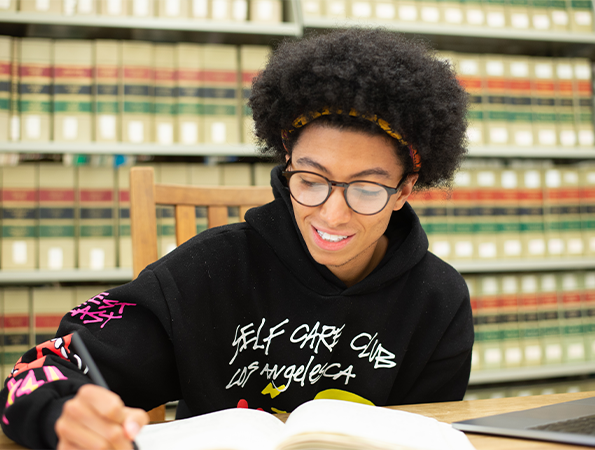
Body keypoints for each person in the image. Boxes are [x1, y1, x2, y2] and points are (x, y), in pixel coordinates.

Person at [0, 27, 473, 450]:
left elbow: (430, 432)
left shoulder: (439, 298)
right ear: (286, 162)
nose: (331, 213)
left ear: (404, 190)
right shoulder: (207, 270)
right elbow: (32, 375)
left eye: (367, 189)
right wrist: (59, 412)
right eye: (310, 180)